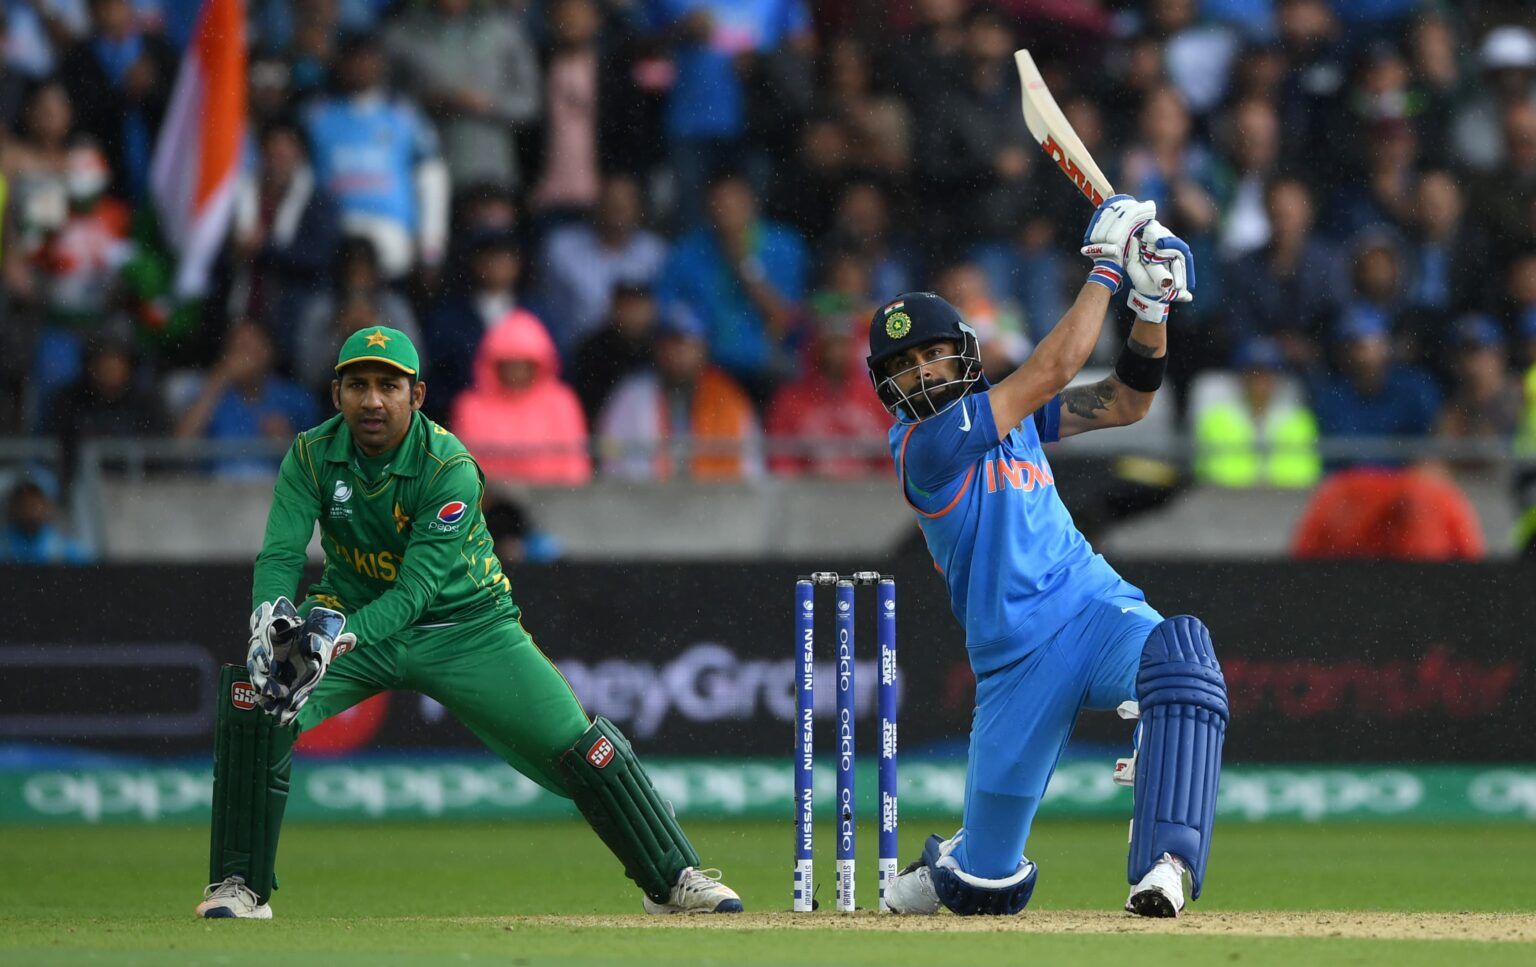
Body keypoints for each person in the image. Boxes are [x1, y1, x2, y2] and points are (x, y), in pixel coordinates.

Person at [196, 326, 741, 919]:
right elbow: (280, 553)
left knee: (581, 747)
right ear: (336, 394)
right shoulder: (310, 453)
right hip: (352, 617)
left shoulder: (448, 465)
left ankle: (673, 878)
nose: (372, 400)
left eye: (389, 386)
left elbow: (415, 592)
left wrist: (332, 639)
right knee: (257, 700)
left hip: (467, 627)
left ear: (417, 395)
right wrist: (270, 616)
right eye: (358, 385)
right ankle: (239, 885)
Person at [874, 196, 1225, 919]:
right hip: (1014, 659)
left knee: (1183, 658)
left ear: (963, 349)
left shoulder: (1016, 414)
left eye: (931, 353)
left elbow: (1125, 401)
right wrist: (1107, 267)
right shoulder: (925, 445)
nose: (922, 373)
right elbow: (1058, 365)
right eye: (904, 366)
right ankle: (954, 862)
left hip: (1092, 608)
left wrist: (1152, 308)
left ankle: (1165, 865)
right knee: (987, 891)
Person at [450, 309, 592, 485]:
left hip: (556, 497)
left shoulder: (562, 402)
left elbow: (575, 465)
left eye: (523, 364)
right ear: (495, 364)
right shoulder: (470, 406)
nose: (516, 372)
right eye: (509, 364)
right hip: (490, 499)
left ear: (538, 364)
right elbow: (465, 471)